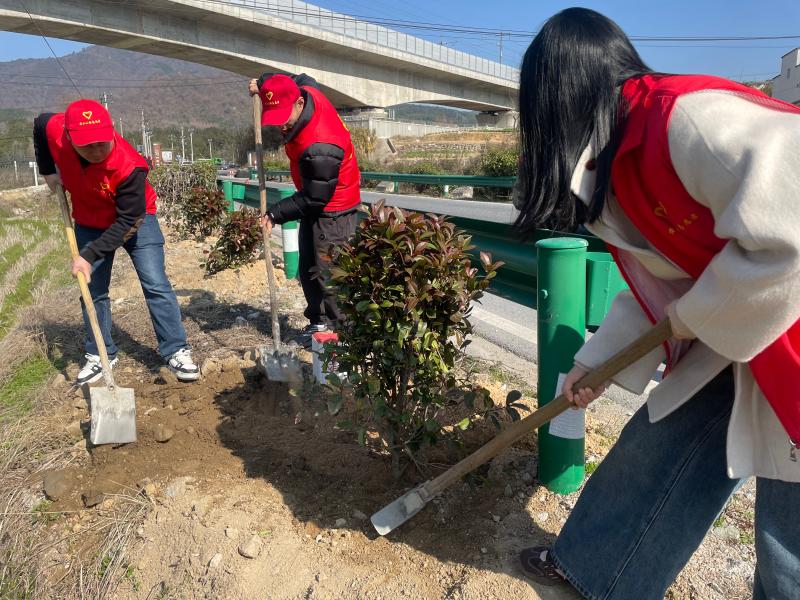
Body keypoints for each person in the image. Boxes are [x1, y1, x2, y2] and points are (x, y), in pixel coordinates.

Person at [512, 8, 800, 600]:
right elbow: (660, 288)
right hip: (748, 320)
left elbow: (790, 230)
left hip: (784, 321)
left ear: (555, 95)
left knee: (789, 531)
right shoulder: (618, 165)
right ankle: (597, 572)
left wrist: (697, 315)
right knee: (660, 440)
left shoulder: (685, 121)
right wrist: (595, 365)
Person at [33, 99, 200, 384]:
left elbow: (127, 222)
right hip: (88, 219)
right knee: (92, 289)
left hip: (136, 219)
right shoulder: (55, 129)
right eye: (88, 146)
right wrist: (48, 169)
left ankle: (176, 349)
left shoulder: (130, 166)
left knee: (155, 283)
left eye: (102, 143)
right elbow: (39, 123)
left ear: (111, 132)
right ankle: (100, 353)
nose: (97, 151)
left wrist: (88, 254)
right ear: (69, 137)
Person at [248, 72, 361, 348]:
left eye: (284, 117)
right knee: (308, 265)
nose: (281, 126)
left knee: (330, 274)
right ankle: (318, 322)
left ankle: (345, 339)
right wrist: (263, 84)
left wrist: (274, 214)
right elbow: (300, 76)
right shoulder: (304, 90)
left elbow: (314, 197)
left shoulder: (321, 144)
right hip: (315, 196)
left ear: (299, 103)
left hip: (334, 207)